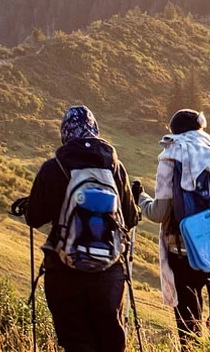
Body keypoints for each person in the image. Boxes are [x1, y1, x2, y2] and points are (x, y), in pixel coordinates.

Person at [19, 106, 140, 352]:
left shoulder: (53, 168)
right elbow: (129, 218)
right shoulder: (115, 167)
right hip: (108, 272)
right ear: (94, 130)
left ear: (65, 133)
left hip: (63, 270)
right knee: (110, 340)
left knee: (75, 342)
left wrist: (27, 205)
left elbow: (34, 218)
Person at [133, 109, 210, 349]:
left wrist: (140, 197)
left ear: (174, 133)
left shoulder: (169, 159)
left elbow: (159, 213)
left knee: (189, 327)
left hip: (183, 252)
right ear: (201, 129)